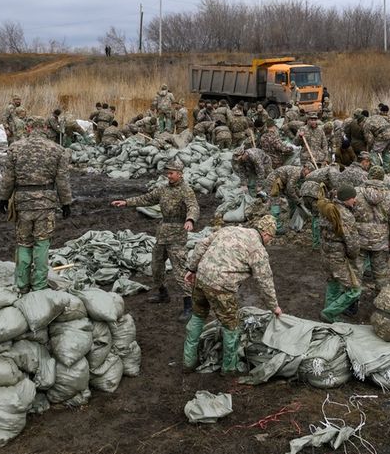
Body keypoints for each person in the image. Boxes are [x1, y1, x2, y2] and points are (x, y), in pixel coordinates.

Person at [182, 215, 281, 375]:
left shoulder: (229, 229)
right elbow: (265, 282)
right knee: (231, 326)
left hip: (201, 279)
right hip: (222, 287)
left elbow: (201, 245)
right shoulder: (258, 249)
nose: (270, 242)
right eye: (271, 238)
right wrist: (274, 307)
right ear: (266, 234)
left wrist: (191, 269)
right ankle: (229, 368)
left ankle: (188, 362)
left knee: (198, 316)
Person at [112, 158, 200, 317]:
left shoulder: (186, 190)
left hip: (177, 235)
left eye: (171, 173)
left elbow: (193, 207)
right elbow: (146, 198)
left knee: (180, 269)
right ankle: (163, 293)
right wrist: (126, 202)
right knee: (156, 266)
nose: (169, 176)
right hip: (162, 233)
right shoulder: (163, 189)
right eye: (168, 173)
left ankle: (189, 305)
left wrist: (190, 220)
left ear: (180, 174)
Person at [0, 117, 73, 293]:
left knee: (23, 243)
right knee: (42, 243)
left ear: (29, 128)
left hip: (23, 202)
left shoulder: (15, 148)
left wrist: (3, 198)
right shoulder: (57, 150)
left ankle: (22, 285)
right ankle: (39, 285)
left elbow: (8, 177)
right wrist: (66, 202)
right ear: (46, 127)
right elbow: (62, 179)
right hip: (46, 204)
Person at [351, 166, 390, 292]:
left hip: (359, 238)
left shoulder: (356, 192)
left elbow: (346, 215)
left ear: (369, 176)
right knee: (381, 274)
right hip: (381, 240)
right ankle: (381, 300)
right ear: (382, 178)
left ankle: (352, 302)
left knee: (355, 273)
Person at [316, 184, 362, 322]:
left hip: (326, 254)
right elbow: (352, 242)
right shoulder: (345, 215)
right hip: (337, 257)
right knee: (355, 290)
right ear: (347, 198)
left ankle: (331, 317)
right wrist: (353, 255)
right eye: (353, 198)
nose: (355, 201)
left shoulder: (328, 209)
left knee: (333, 283)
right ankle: (329, 313)